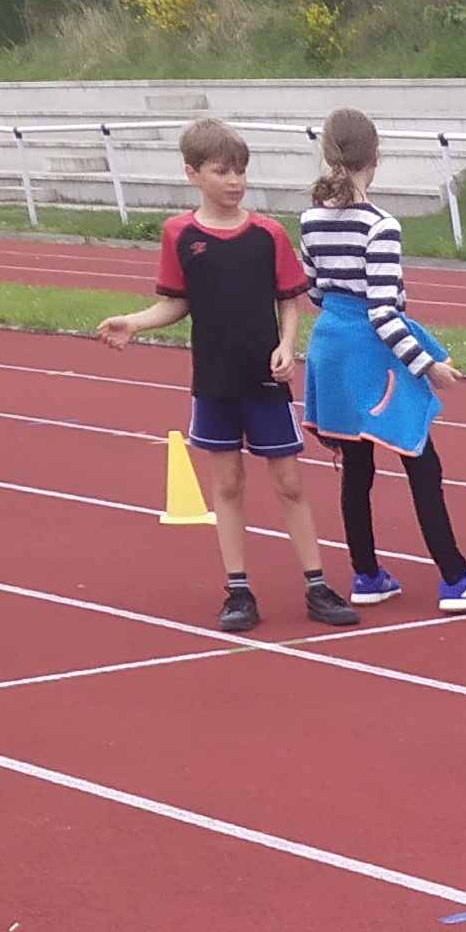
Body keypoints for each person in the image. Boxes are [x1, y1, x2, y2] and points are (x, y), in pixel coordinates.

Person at [98, 119, 358, 635]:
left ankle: (316, 584)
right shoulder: (180, 235)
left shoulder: (268, 234)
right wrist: (135, 322)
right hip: (215, 381)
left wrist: (287, 346)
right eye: (222, 171)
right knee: (228, 483)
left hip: (264, 380)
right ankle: (238, 589)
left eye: (240, 170)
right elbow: (177, 301)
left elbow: (289, 299)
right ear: (193, 173)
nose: (235, 181)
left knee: (289, 482)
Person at [299, 106, 466, 615]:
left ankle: (367, 574)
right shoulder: (381, 226)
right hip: (373, 353)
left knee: (356, 466)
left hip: (330, 347)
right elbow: (383, 313)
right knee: (422, 460)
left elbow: (314, 289)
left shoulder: (309, 220)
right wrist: (426, 365)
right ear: (376, 156)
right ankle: (455, 578)